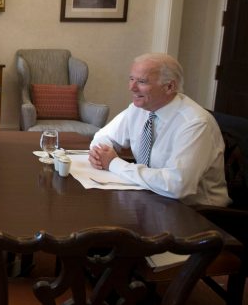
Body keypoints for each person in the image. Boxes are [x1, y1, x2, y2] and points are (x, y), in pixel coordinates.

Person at [89, 53, 230, 207]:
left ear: (169, 87)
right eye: (131, 79)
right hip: (153, 198)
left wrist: (114, 163)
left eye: (142, 81)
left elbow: (177, 185)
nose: (132, 87)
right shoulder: (139, 109)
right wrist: (100, 154)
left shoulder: (195, 123)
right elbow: (103, 136)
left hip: (196, 211)